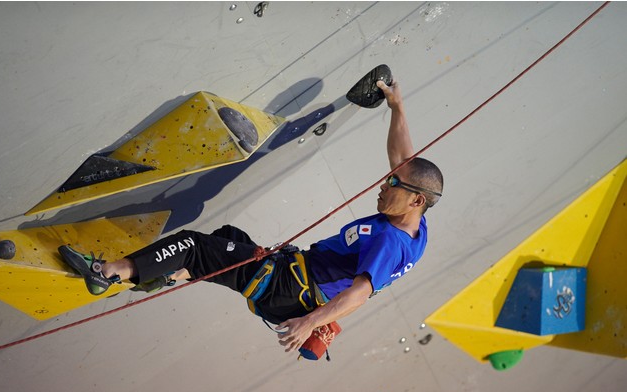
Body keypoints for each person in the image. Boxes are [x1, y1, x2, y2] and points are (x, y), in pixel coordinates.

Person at [59, 80, 444, 354]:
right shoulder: (415, 223)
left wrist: (309, 323)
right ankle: (165, 274)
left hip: (287, 287)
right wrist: (398, 108)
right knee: (227, 236)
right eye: (390, 177)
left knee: (193, 245)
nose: (384, 183)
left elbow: (360, 293)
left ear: (416, 201)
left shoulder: (388, 242)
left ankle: (107, 273)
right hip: (294, 277)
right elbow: (405, 160)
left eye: (394, 184)